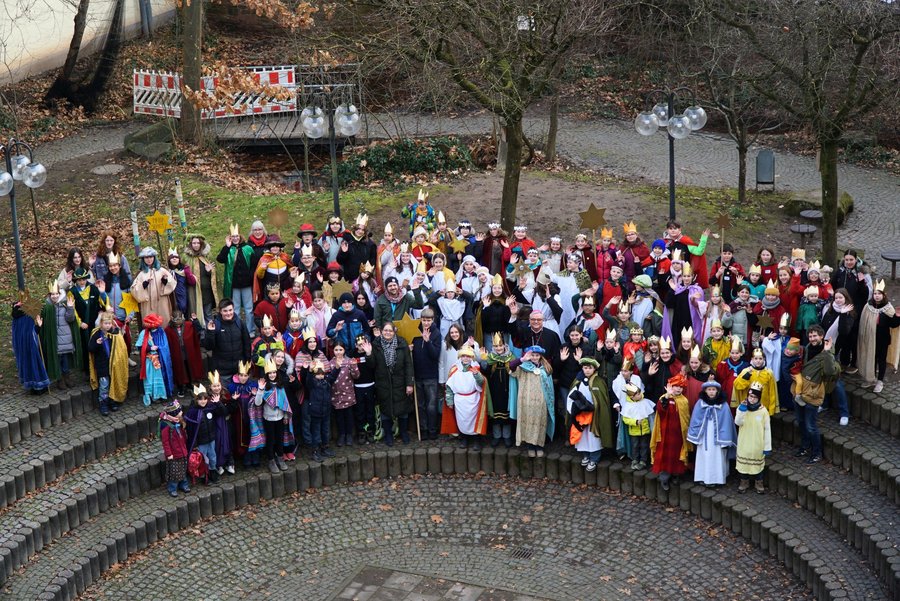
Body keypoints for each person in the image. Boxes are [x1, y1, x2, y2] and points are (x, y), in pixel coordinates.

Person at [794, 326, 839, 463]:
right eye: (810, 336)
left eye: (815, 336)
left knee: (810, 426)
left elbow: (830, 371)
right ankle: (805, 446)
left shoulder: (827, 352)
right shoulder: (807, 348)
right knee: (801, 422)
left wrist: (827, 352)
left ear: (821, 336)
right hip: (801, 390)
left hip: (813, 393)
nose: (812, 339)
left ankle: (816, 453)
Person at [371, 322, 415, 446]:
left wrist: (410, 383)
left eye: (390, 330)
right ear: (381, 331)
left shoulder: (402, 343)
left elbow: (408, 364)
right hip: (383, 383)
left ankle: (403, 432)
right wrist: (369, 354)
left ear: (394, 331)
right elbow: (372, 365)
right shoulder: (376, 344)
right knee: (385, 410)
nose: (388, 333)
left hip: (400, 382)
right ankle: (388, 434)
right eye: (385, 330)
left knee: (403, 409)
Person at [566, 357, 613, 471]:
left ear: (594, 369)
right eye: (585, 368)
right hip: (581, 415)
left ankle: (594, 458)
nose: (587, 370)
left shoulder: (599, 382)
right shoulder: (577, 381)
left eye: (590, 368)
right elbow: (571, 396)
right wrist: (575, 409)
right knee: (582, 436)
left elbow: (602, 400)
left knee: (593, 437)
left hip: (595, 416)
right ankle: (586, 455)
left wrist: (595, 407)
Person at [686, 381, 736, 487]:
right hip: (704, 436)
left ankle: (717, 478)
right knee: (704, 455)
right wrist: (696, 434)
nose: (711, 392)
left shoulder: (723, 405)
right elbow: (695, 419)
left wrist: (725, 438)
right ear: (705, 391)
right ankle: (702, 477)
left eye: (713, 390)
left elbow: (727, 422)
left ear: (717, 391)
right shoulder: (700, 403)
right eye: (709, 390)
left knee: (717, 456)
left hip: (718, 438)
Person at [509, 346, 555, 457]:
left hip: (541, 402)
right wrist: (522, 359)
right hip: (526, 401)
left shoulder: (545, 368)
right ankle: (530, 446)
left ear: (540, 356)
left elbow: (550, 387)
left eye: (537, 355)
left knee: (540, 422)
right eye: (532, 355)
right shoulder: (523, 367)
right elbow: (511, 366)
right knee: (528, 423)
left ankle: (539, 446)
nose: (534, 357)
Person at [650, 373, 692, 491]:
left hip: (678, 434)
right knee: (665, 455)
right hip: (665, 434)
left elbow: (686, 418)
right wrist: (667, 397)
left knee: (677, 455)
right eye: (676, 386)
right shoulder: (664, 398)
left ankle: (676, 474)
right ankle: (664, 478)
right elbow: (660, 410)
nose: (678, 389)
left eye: (681, 387)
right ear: (670, 386)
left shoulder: (684, 400)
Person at [858, 280, 900, 393]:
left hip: (882, 339)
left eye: (879, 294)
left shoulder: (888, 308)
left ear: (884, 295)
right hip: (869, 338)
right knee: (870, 357)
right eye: (875, 294)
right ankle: (870, 378)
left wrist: (897, 316)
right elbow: (863, 322)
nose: (876, 296)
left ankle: (880, 381)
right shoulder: (868, 306)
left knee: (881, 359)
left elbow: (893, 325)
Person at [39, 280, 82, 390]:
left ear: (59, 293)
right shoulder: (47, 307)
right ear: (49, 295)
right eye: (52, 294)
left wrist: (70, 308)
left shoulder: (65, 304)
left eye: (56, 294)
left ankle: (67, 377)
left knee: (65, 359)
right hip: (54, 337)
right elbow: (44, 322)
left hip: (65, 336)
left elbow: (70, 319)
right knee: (57, 359)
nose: (55, 296)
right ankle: (60, 379)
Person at [444, 345, 489, 450]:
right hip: (459, 401)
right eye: (463, 356)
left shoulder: (476, 368)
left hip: (473, 399)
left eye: (468, 356)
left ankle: (476, 439)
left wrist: (477, 375)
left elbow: (481, 383)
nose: (465, 358)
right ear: (460, 357)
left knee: (474, 420)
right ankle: (464, 438)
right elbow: (449, 386)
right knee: (462, 421)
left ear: (472, 357)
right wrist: (449, 401)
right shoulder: (455, 370)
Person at [255, 356, 293, 474]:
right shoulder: (265, 387)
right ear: (267, 375)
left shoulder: (280, 386)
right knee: (271, 440)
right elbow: (258, 403)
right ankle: (271, 460)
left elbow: (284, 402)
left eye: (274, 372)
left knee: (280, 438)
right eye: (270, 373)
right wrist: (260, 390)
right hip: (268, 418)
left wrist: (285, 416)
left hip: (280, 417)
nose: (272, 375)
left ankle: (280, 458)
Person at [218, 224, 257, 336]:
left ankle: (250, 330)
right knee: (235, 309)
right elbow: (220, 259)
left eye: (237, 236)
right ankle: (237, 330)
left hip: (246, 284)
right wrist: (227, 247)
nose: (235, 238)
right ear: (230, 238)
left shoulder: (247, 248)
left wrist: (250, 277)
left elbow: (253, 265)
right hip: (234, 285)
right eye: (233, 237)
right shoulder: (229, 249)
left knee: (249, 309)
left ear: (240, 236)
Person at [185, 383, 228, 483]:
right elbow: (191, 430)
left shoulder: (210, 407)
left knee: (213, 457)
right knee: (203, 459)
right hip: (201, 442)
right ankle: (204, 475)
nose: (203, 401)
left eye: (205, 399)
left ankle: (213, 472)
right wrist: (195, 443)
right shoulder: (193, 412)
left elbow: (223, 412)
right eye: (200, 399)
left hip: (211, 439)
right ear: (196, 400)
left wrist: (218, 403)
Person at [87, 311, 128, 415]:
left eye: (109, 323)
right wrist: (97, 343)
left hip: (114, 365)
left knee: (114, 383)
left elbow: (121, 349)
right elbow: (90, 348)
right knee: (104, 386)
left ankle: (112, 401)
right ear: (101, 323)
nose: (107, 325)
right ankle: (103, 404)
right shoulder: (96, 333)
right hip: (102, 365)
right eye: (105, 323)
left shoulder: (115, 333)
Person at [735, 382, 772, 493]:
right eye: (750, 396)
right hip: (744, 442)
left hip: (757, 443)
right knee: (743, 466)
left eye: (755, 397)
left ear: (759, 398)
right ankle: (744, 482)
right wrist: (741, 411)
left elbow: (767, 430)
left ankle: (759, 483)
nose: (752, 399)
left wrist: (767, 447)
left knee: (758, 466)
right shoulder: (742, 408)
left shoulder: (763, 411)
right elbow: (738, 422)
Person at [411, 308, 442, 440]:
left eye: (428, 320)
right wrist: (409, 349)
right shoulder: (415, 331)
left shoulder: (436, 334)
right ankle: (423, 429)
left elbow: (435, 355)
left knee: (431, 405)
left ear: (433, 320)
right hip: (418, 374)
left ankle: (432, 429)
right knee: (420, 405)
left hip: (431, 376)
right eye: (424, 320)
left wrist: (428, 341)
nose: (426, 323)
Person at [481, 333, 515, 448]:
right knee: (495, 412)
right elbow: (485, 372)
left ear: (505, 345)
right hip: (494, 389)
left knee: (506, 412)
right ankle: (496, 435)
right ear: (493, 347)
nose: (499, 348)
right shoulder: (490, 357)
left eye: (500, 346)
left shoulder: (511, 357)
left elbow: (515, 371)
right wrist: (484, 361)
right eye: (496, 346)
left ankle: (506, 436)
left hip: (507, 389)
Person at [204, 299, 252, 380]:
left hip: (239, 369)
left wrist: (247, 362)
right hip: (222, 371)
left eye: (230, 310)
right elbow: (209, 346)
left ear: (233, 309)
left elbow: (247, 344)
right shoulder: (215, 325)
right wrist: (210, 333)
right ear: (220, 311)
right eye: (225, 311)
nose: (228, 313)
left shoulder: (240, 323)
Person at [12, 298, 50, 394]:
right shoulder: (29, 314)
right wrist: (38, 326)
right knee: (34, 362)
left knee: (28, 363)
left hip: (22, 346)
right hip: (31, 344)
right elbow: (33, 332)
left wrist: (38, 326)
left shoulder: (16, 316)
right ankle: (38, 387)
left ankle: (33, 386)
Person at [135, 313, 175, 406]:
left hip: (158, 360)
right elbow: (140, 346)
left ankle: (161, 395)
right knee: (150, 379)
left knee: (159, 378)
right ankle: (153, 396)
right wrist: (150, 348)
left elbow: (164, 346)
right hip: (149, 361)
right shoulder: (144, 333)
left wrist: (160, 351)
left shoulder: (161, 331)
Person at [305, 359, 340, 462]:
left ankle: (325, 447)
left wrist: (337, 368)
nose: (320, 376)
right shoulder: (312, 383)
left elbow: (333, 376)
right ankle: (315, 451)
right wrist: (310, 371)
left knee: (325, 431)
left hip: (326, 411)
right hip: (315, 412)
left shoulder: (326, 381)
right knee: (316, 432)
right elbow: (308, 380)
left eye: (322, 374)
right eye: (318, 374)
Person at [132, 247, 176, 327]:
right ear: (143, 259)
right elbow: (134, 290)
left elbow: (172, 284)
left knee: (164, 322)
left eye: (151, 257)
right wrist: (144, 285)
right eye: (146, 257)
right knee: (150, 324)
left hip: (162, 302)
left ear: (154, 258)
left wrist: (165, 281)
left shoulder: (162, 270)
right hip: (148, 304)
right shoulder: (141, 274)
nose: (149, 259)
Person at [330, 342, 360, 447]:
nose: (338, 352)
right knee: (339, 417)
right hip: (336, 395)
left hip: (348, 394)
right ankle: (341, 435)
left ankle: (349, 435)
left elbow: (356, 376)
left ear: (344, 350)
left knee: (349, 416)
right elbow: (330, 378)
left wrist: (354, 366)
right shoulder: (331, 363)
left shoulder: (349, 361)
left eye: (340, 350)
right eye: (336, 350)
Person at [183, 233, 218, 323]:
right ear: (190, 244)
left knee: (208, 313)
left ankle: (210, 330)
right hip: (194, 291)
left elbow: (214, 274)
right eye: (194, 243)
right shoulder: (187, 258)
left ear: (201, 244)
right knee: (196, 314)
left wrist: (209, 271)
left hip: (206, 291)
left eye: (198, 243)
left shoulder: (207, 256)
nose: (196, 245)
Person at [159, 400, 191, 498]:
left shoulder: (179, 421)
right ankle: (172, 488)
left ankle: (184, 485)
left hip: (182, 451)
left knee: (183, 469)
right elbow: (165, 442)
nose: (181, 412)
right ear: (174, 414)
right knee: (174, 472)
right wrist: (169, 454)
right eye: (179, 411)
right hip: (174, 454)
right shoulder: (166, 426)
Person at [619, 383, 654, 470]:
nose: (640, 395)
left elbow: (650, 416)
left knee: (644, 446)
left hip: (645, 430)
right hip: (634, 432)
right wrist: (635, 422)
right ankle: (635, 459)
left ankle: (643, 461)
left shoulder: (645, 402)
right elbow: (625, 419)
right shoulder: (628, 405)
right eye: (638, 394)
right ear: (632, 397)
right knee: (635, 446)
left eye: (640, 393)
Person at [166, 247, 195, 317]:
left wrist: (188, 273)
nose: (174, 259)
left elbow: (192, 282)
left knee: (183, 306)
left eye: (176, 257)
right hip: (170, 292)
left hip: (182, 291)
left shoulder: (184, 269)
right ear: (169, 260)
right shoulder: (167, 270)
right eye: (172, 258)